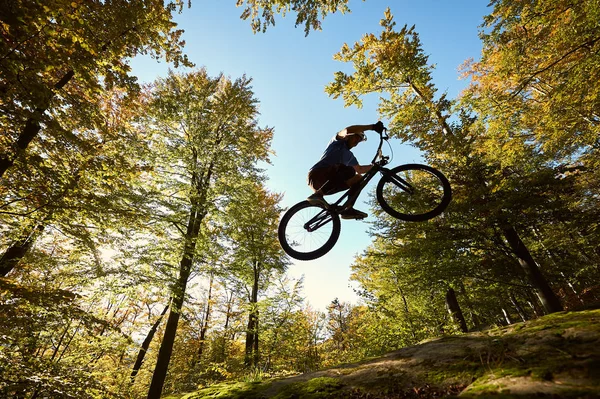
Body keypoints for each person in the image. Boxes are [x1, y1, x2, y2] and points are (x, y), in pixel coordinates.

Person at [307, 121, 385, 219]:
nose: (357, 142)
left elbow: (360, 169)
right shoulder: (337, 141)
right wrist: (372, 127)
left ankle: (348, 209)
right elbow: (348, 130)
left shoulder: (349, 156)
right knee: (350, 170)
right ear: (349, 136)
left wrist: (376, 166)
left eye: (359, 141)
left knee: (358, 178)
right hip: (316, 175)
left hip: (327, 184)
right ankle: (317, 195)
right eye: (356, 138)